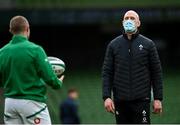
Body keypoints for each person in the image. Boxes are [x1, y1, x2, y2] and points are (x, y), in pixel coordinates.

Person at [0, 15, 64, 124]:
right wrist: (58, 82)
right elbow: (49, 78)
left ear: (10, 30)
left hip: (10, 103)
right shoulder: (35, 50)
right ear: (27, 28)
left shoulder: (2, 52)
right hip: (32, 103)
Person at [102, 10, 163, 124]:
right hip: (120, 102)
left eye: (132, 18)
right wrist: (107, 97)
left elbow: (157, 73)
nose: (129, 20)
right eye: (127, 18)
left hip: (142, 101)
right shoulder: (113, 45)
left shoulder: (148, 44)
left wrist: (158, 98)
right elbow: (107, 72)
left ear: (138, 23)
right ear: (122, 22)